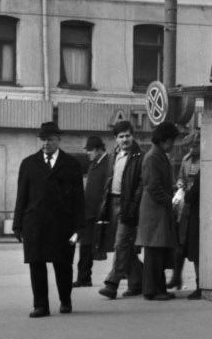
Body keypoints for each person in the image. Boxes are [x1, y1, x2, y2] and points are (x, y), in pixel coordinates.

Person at [12, 121, 85, 317]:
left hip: (63, 224)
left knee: (63, 264)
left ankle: (65, 301)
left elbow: (79, 198)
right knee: (36, 263)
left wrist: (80, 227)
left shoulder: (71, 164)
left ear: (58, 140)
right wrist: (17, 224)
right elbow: (22, 195)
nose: (46, 143)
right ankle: (40, 305)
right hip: (35, 223)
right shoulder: (28, 164)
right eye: (43, 139)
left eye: (50, 139)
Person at [99, 121, 144, 300]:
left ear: (133, 136)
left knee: (121, 244)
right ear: (115, 139)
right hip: (113, 202)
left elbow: (141, 183)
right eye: (121, 136)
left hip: (129, 204)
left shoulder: (140, 156)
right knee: (127, 247)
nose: (125, 139)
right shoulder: (113, 155)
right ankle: (138, 281)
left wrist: (134, 204)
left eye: (127, 135)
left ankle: (112, 283)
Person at [138, 121, 179, 301]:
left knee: (157, 251)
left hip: (156, 209)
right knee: (154, 252)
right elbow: (153, 186)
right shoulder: (153, 157)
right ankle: (152, 290)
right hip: (155, 210)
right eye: (172, 141)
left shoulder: (157, 154)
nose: (173, 145)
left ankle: (158, 288)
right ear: (164, 140)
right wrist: (169, 200)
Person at [74, 136, 111, 288]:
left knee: (91, 245)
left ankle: (133, 274)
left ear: (98, 149)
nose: (88, 153)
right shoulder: (94, 164)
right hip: (89, 212)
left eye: (89, 150)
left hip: (99, 212)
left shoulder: (107, 163)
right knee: (86, 245)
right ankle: (84, 277)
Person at [171, 137, 202, 298]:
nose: (192, 149)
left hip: (199, 203)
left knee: (196, 245)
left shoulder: (206, 161)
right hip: (185, 205)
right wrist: (180, 184)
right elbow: (180, 177)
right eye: (190, 146)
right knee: (181, 241)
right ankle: (176, 275)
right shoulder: (185, 159)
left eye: (195, 145)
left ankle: (199, 282)